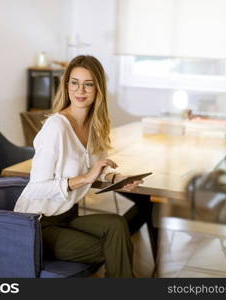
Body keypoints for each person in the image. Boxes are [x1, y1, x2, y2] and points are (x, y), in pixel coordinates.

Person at [14, 55, 144, 278]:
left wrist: (116, 178)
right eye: (74, 82)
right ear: (66, 86)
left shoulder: (95, 126)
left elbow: (98, 168)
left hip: (66, 215)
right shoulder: (56, 127)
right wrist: (84, 179)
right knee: (112, 248)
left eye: (88, 84)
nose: (80, 90)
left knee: (117, 224)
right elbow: (36, 187)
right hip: (36, 225)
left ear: (98, 89)